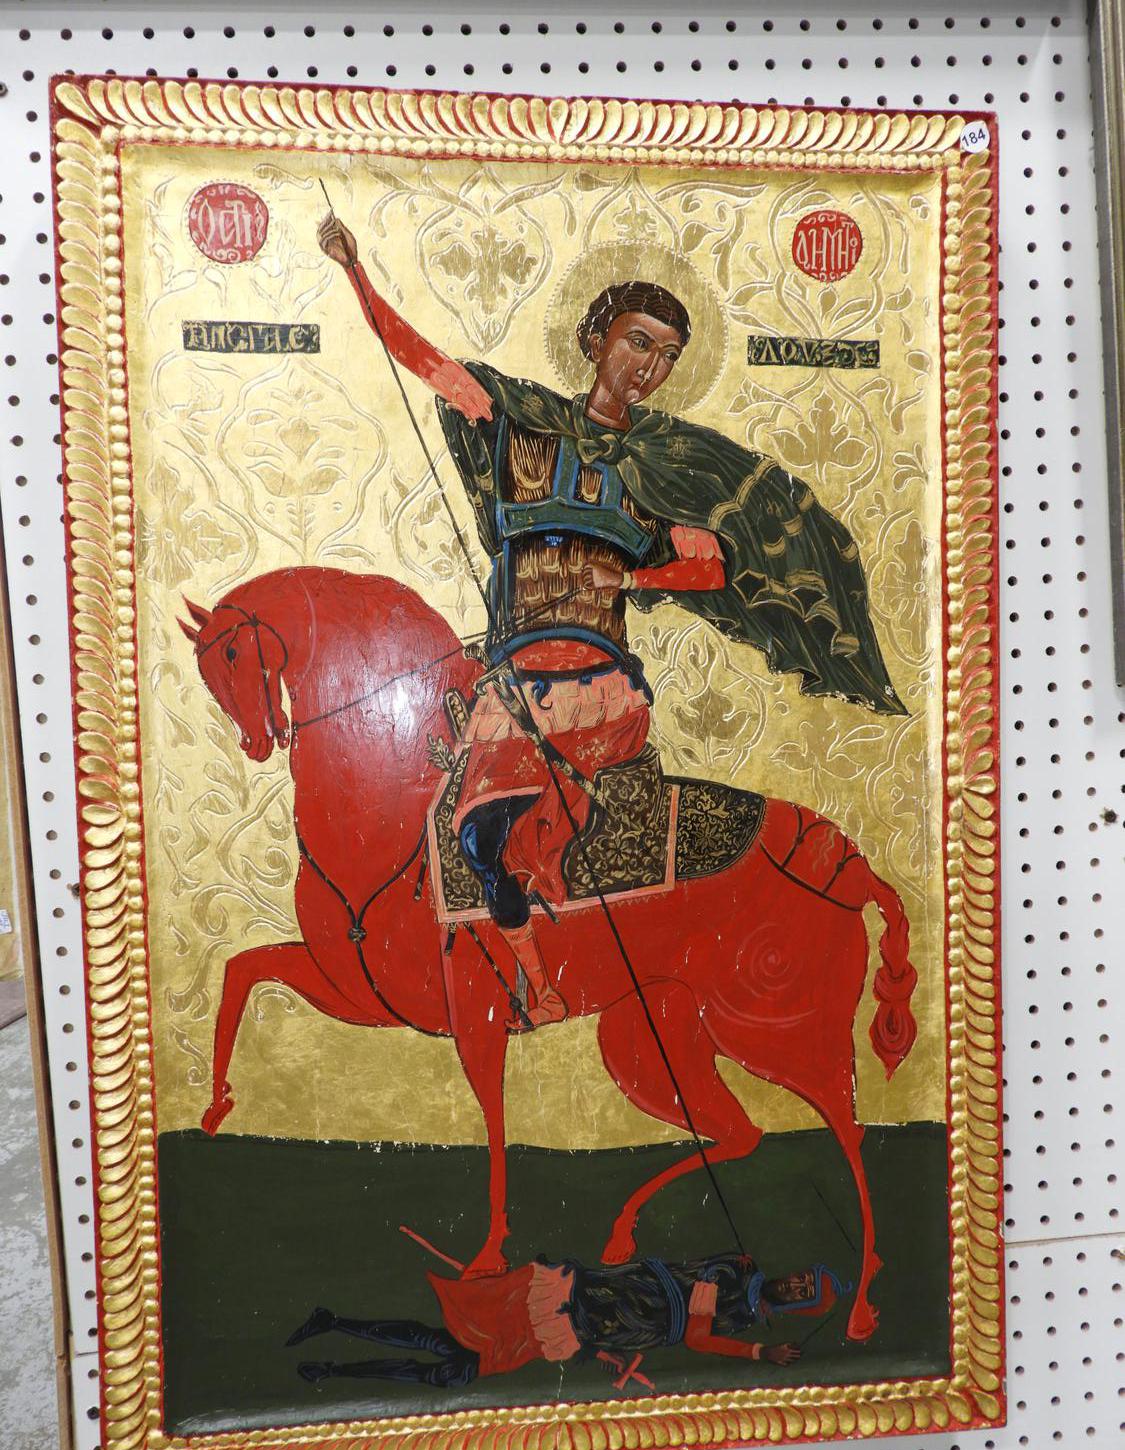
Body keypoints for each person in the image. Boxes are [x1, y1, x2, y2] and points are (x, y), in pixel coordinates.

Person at [318, 216, 903, 1027]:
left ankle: (594, 947)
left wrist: (631, 572)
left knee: (541, 820)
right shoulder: (519, 427)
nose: (650, 368)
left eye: (667, 356)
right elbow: (425, 363)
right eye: (638, 343)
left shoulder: (657, 468)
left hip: (597, 687)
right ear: (596, 341)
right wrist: (355, 272)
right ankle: (537, 978)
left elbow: (711, 563)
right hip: (514, 679)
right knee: (479, 837)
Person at [287, 1251, 844, 1388]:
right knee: (443, 1345)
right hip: (602, 1299)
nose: (795, 1285)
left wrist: (605, 1351)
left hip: (598, 1327)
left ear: (796, 1307)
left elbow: (693, 1333)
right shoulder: (731, 1271)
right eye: (802, 1278)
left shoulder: (745, 1313)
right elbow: (697, 1337)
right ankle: (333, 1327)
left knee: (449, 1369)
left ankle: (333, 1362)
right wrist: (758, 1355)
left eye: (803, 1293)